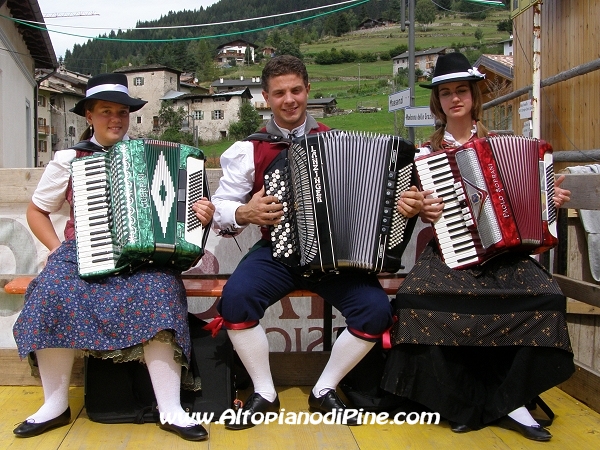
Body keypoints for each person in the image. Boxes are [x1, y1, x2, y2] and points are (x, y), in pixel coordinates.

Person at [210, 55, 424, 429]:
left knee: (375, 311)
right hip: (276, 253)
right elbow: (221, 207)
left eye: (296, 90)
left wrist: (406, 205)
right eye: (279, 93)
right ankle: (265, 393)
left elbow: (381, 201)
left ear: (308, 90)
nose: (289, 99)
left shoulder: (338, 142)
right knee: (236, 299)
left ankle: (324, 389)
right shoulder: (250, 148)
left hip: (336, 257)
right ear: (265, 98)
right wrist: (245, 213)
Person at [380, 52, 575, 442]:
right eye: (446, 92)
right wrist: (415, 205)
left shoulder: (505, 144)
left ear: (473, 96)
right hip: (451, 251)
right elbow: (407, 208)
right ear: (437, 101)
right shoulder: (423, 155)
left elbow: (535, 197)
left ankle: (511, 399)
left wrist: (549, 199)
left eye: (462, 91)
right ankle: (460, 401)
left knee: (547, 297)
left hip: (507, 253)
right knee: (416, 299)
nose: (455, 99)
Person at [12, 73, 215, 441]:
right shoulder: (71, 159)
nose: (115, 119)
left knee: (162, 291)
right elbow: (36, 212)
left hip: (144, 258)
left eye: (122, 111)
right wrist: (57, 250)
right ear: (89, 115)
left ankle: (171, 409)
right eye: (106, 111)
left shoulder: (149, 155)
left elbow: (181, 213)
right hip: (80, 252)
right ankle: (55, 405)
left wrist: (200, 213)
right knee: (50, 291)